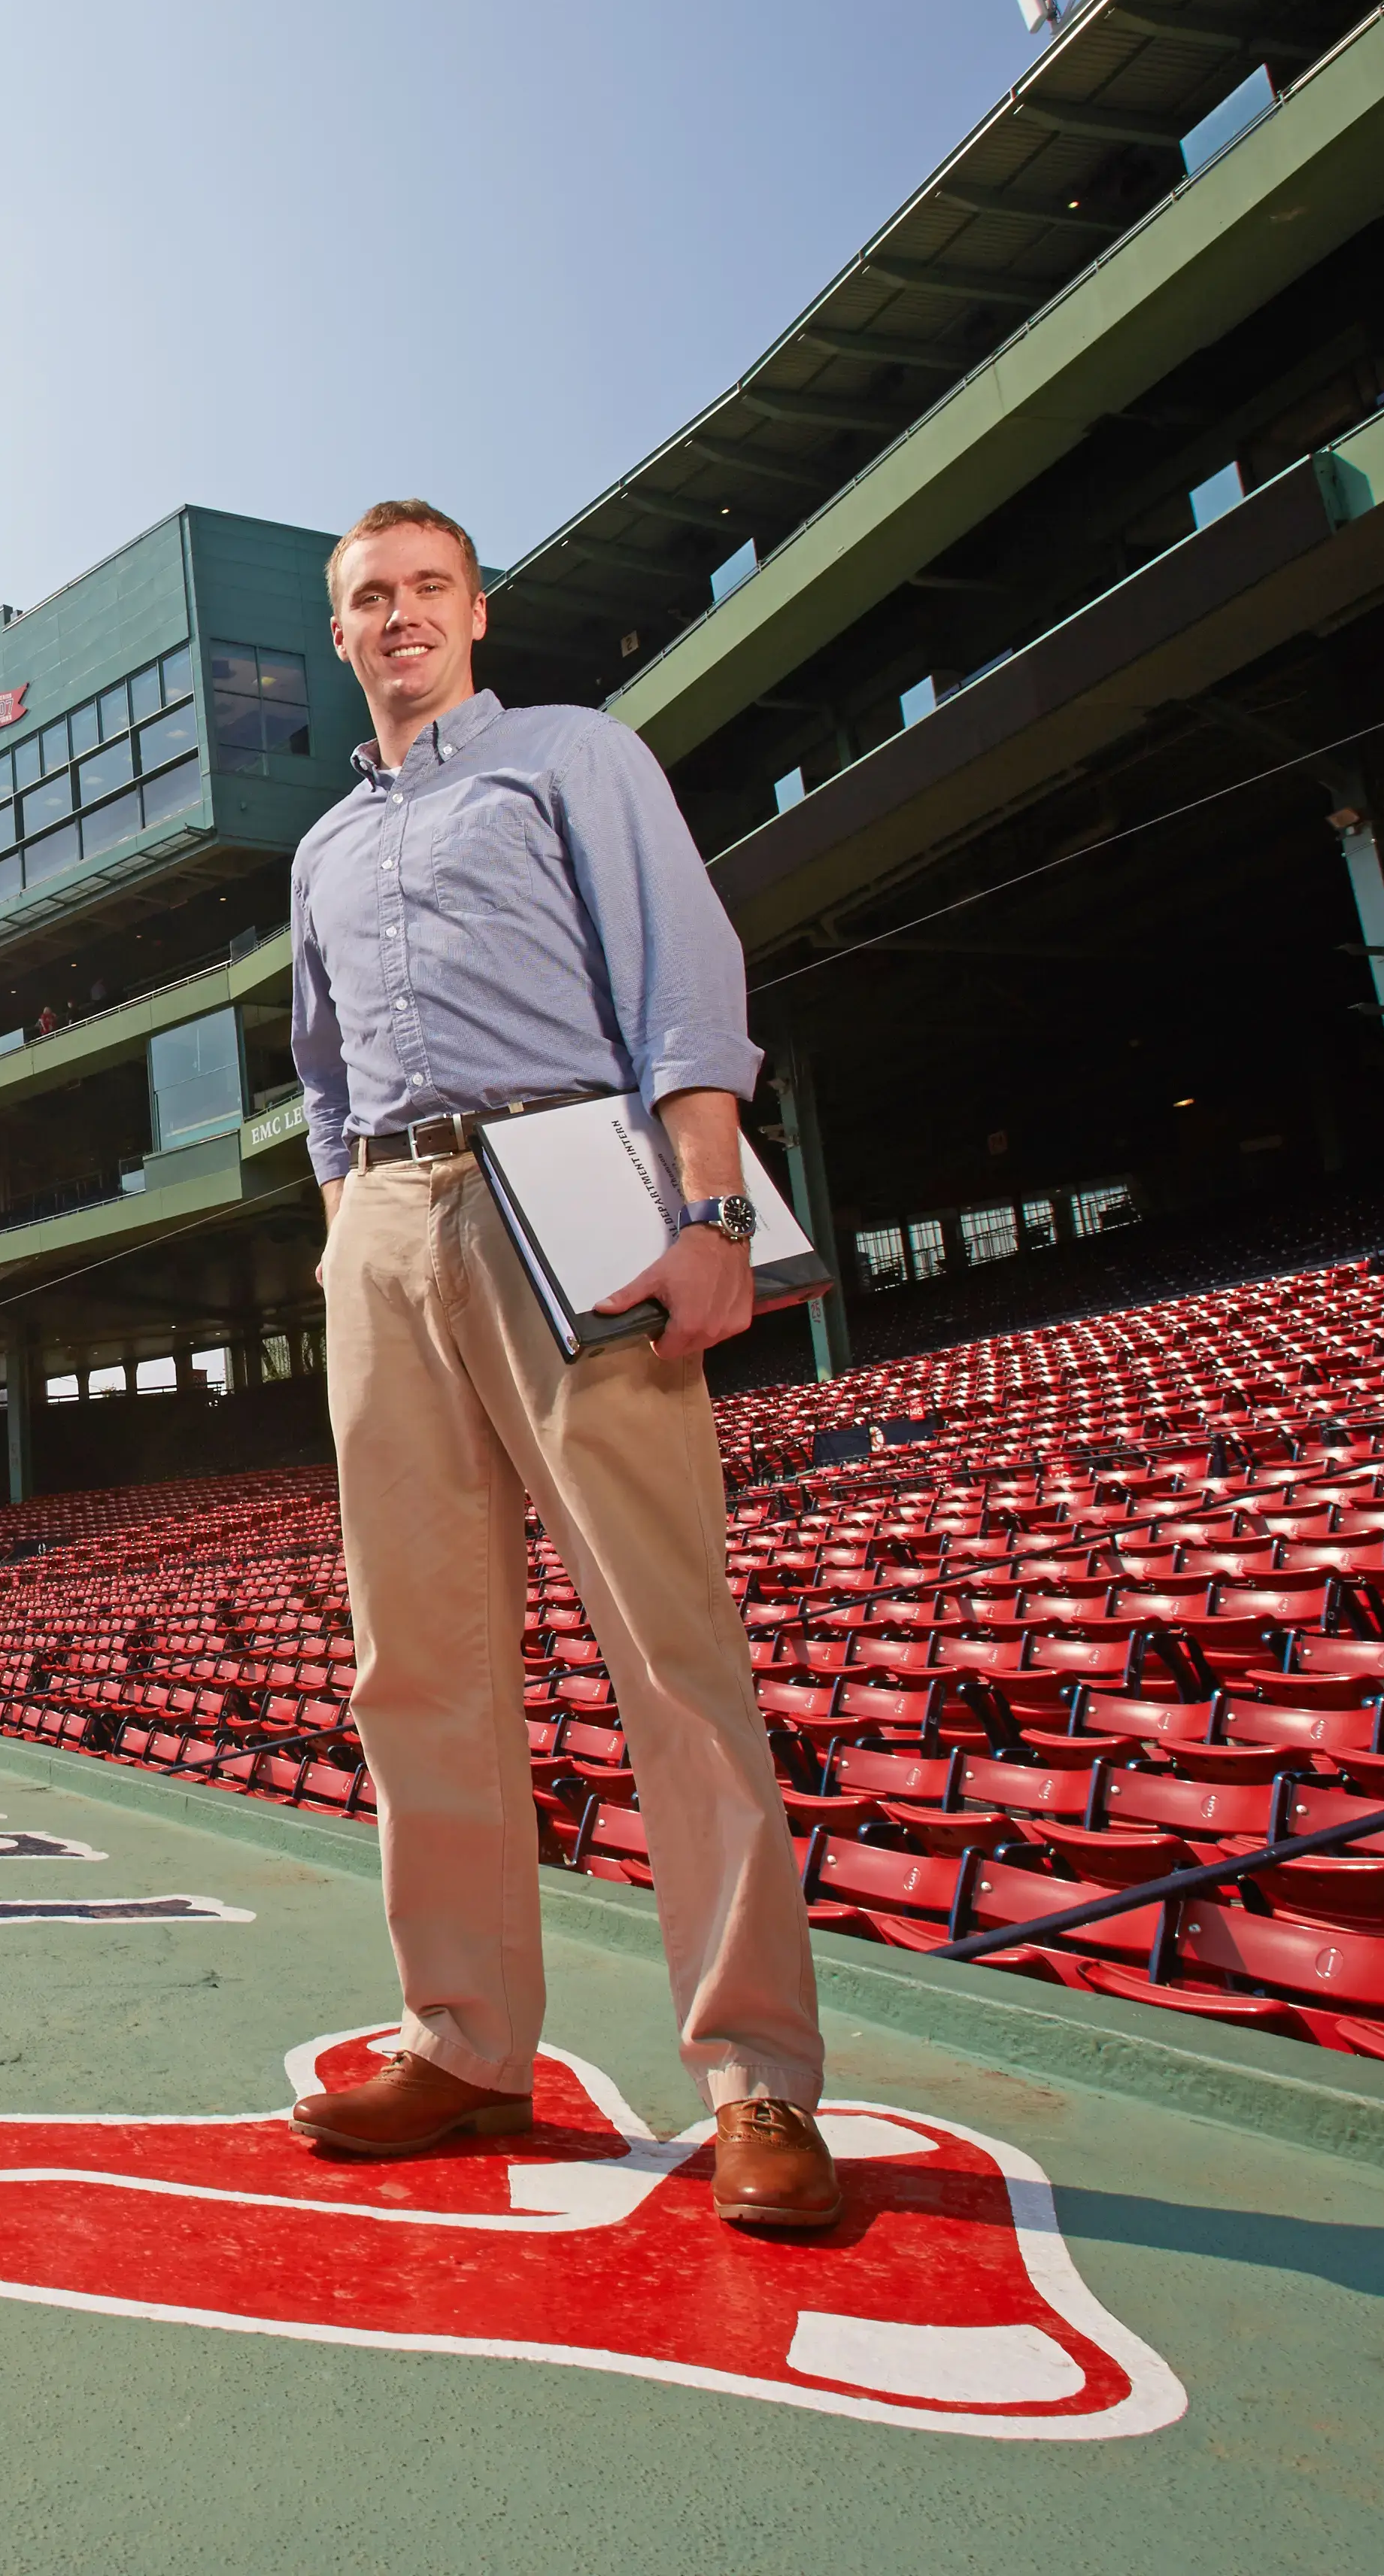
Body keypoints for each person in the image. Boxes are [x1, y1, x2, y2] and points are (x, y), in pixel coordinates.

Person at [281, 497, 839, 2231]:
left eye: (427, 589)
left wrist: (714, 1216)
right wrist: (342, 1229)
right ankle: (462, 2042)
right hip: (386, 1211)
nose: (400, 618)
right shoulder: (317, 853)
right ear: (341, 635)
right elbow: (316, 1069)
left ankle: (755, 2080)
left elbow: (686, 984)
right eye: (370, 599)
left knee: (668, 1649)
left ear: (475, 614)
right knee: (414, 1665)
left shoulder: (573, 760)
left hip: (566, 1185)